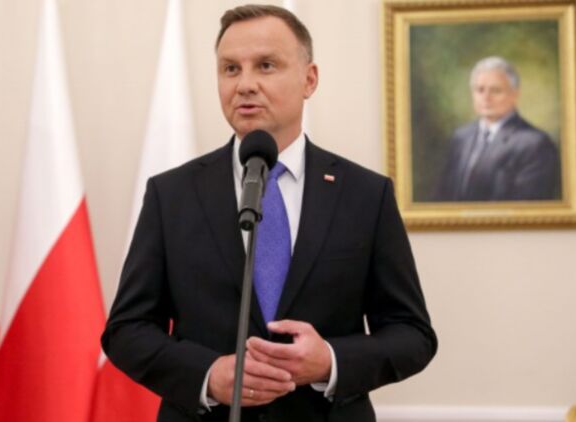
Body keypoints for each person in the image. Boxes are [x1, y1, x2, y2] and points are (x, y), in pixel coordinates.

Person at [102, 5, 436, 421]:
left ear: (309, 79)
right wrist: (208, 376)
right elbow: (126, 330)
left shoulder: (366, 194)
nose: (245, 85)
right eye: (230, 69)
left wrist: (330, 361)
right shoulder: (171, 194)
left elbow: (412, 335)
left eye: (266, 65)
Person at [431, 56, 561, 202]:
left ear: (514, 95)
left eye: (496, 90)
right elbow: (442, 197)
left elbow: (527, 205)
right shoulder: (460, 138)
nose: (486, 97)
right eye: (480, 90)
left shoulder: (535, 144)